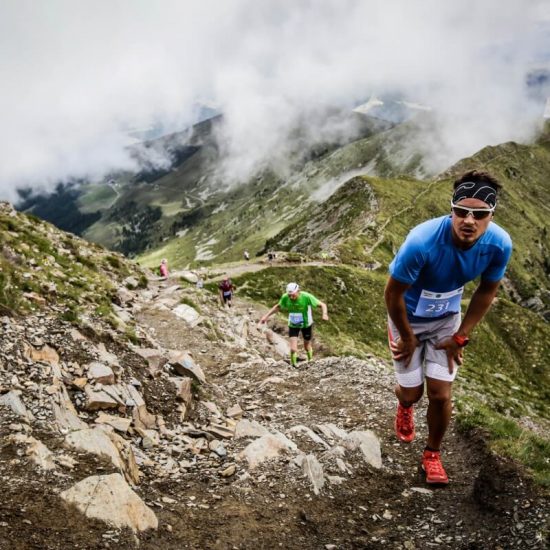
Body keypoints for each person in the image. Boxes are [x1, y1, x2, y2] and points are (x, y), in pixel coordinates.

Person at [384, 170, 512, 485]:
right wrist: (409, 337)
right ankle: (404, 404)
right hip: (408, 316)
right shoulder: (421, 242)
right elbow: (392, 294)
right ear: (451, 209)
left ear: (491, 215)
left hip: (446, 318)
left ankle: (432, 455)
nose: (469, 220)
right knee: (414, 394)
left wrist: (460, 336)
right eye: (461, 212)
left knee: (440, 395)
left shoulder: (499, 244)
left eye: (480, 214)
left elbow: (486, 291)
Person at [260, 282, 329, 367]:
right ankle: (293, 365)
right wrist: (266, 316)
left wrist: (324, 314)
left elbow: (322, 305)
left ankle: (310, 360)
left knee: (306, 345)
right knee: (293, 349)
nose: (291, 297)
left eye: (293, 295)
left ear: (298, 291)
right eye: (289, 295)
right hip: (293, 325)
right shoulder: (285, 297)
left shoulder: (306, 297)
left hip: (306, 324)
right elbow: (278, 307)